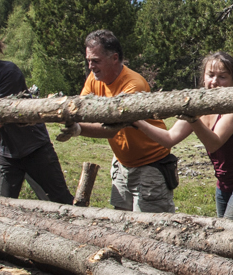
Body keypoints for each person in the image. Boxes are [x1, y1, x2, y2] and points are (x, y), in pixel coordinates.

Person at [134, 51, 233, 222]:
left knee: (229, 234)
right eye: (210, 75)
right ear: (203, 77)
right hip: (224, 182)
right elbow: (169, 138)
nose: (215, 82)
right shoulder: (199, 105)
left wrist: (192, 118)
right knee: (226, 234)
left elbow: (214, 143)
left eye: (222, 77)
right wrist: (137, 122)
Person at [55, 29, 178, 212]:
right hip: (122, 164)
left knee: (149, 230)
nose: (90, 66)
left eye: (95, 61)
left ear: (114, 58)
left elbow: (112, 129)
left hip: (149, 167)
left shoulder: (132, 84)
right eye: (88, 60)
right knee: (122, 224)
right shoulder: (95, 78)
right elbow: (81, 108)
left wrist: (78, 129)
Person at [0, 27, 72, 204]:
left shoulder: (7, 72)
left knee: (60, 201)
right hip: (7, 153)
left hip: (35, 149)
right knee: (3, 206)